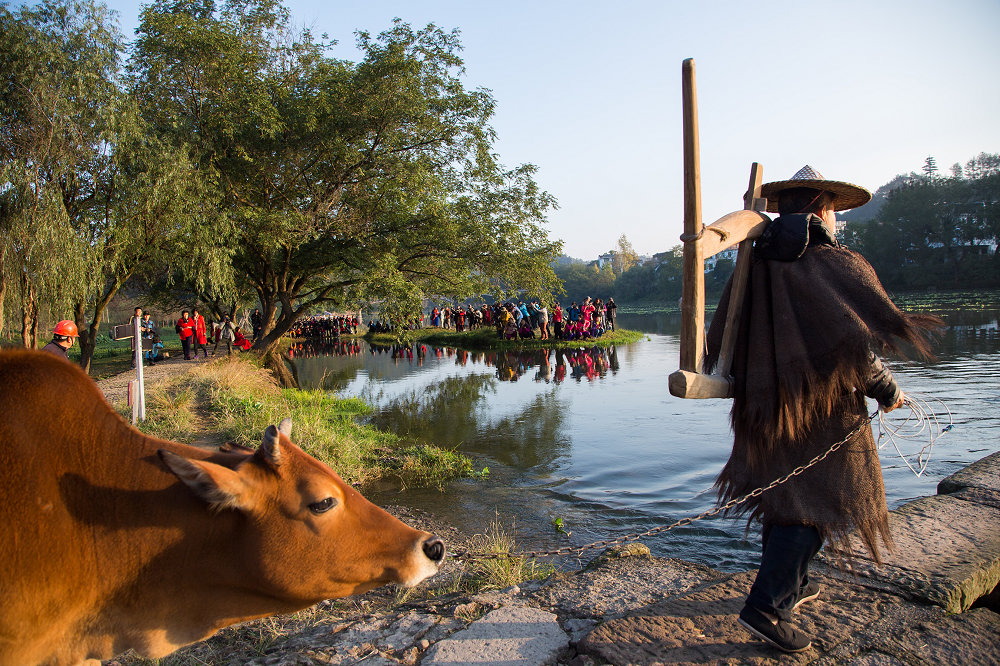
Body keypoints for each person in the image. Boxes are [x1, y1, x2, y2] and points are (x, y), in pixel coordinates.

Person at [704, 166, 942, 654]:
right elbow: (854, 345)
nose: (834, 219)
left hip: (764, 406)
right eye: (832, 210)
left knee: (785, 497)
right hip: (821, 412)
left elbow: (723, 334)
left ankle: (796, 583)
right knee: (815, 502)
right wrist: (888, 391)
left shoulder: (754, 262)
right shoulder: (830, 260)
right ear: (822, 209)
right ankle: (769, 606)